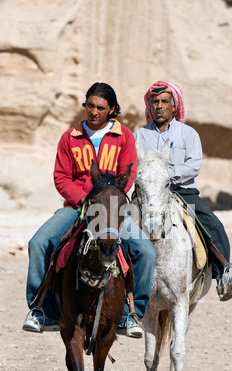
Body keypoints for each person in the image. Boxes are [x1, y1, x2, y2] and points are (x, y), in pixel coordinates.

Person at [23, 82, 156, 337]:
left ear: (112, 109)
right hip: (76, 207)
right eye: (90, 105)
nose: (93, 111)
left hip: (112, 209)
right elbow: (61, 177)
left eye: (100, 107)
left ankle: (131, 315)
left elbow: (126, 176)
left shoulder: (124, 136)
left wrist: (106, 201)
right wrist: (85, 200)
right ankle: (42, 310)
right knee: (38, 243)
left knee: (146, 252)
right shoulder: (69, 138)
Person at [134, 80, 232, 301]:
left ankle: (224, 273)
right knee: (119, 224)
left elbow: (194, 165)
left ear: (174, 106)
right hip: (148, 194)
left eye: (164, 102)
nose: (159, 106)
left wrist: (167, 175)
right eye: (155, 102)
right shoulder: (139, 136)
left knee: (212, 225)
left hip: (182, 191)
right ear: (150, 107)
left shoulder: (189, 134)